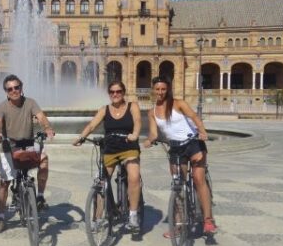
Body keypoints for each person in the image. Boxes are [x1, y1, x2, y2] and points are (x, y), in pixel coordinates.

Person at [144, 76, 216, 235]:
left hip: (193, 143)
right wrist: (149, 140)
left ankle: (208, 220)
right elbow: (154, 133)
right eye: (157, 89)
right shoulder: (152, 112)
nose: (160, 92)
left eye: (163, 89)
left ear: (167, 89)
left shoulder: (178, 104)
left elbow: (194, 118)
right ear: (153, 90)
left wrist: (203, 132)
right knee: (178, 185)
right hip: (175, 148)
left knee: (198, 179)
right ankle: (178, 225)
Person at [74, 80, 143, 232]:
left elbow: (138, 121)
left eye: (118, 91)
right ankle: (98, 218)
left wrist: (135, 134)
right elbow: (92, 125)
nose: (115, 94)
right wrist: (81, 137)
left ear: (123, 92)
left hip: (128, 146)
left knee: (133, 176)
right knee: (102, 182)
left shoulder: (133, 106)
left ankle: (132, 215)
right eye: (112, 92)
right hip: (110, 148)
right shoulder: (104, 109)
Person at [0, 74, 55, 233]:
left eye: (16, 87)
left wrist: (47, 128)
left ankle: (39, 196)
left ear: (21, 87)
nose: (14, 91)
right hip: (9, 146)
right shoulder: (2, 106)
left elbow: (41, 117)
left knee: (45, 160)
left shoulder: (30, 102)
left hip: (27, 145)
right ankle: (0, 216)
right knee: (4, 182)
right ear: (6, 91)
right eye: (10, 89)